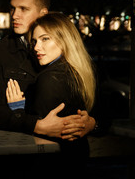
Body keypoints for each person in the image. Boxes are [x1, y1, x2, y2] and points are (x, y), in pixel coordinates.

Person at [0, 0, 96, 139]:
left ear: (43, 13)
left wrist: (91, 123)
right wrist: (36, 125)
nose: (15, 15)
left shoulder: (66, 52)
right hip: (19, 153)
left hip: (66, 157)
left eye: (23, 9)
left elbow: (98, 102)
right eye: (12, 8)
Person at [7, 12, 96, 176]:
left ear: (64, 40)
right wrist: (92, 123)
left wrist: (18, 111)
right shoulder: (78, 72)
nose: (36, 47)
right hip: (76, 162)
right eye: (35, 41)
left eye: (45, 39)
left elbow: (36, 142)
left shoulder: (49, 78)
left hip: (52, 166)